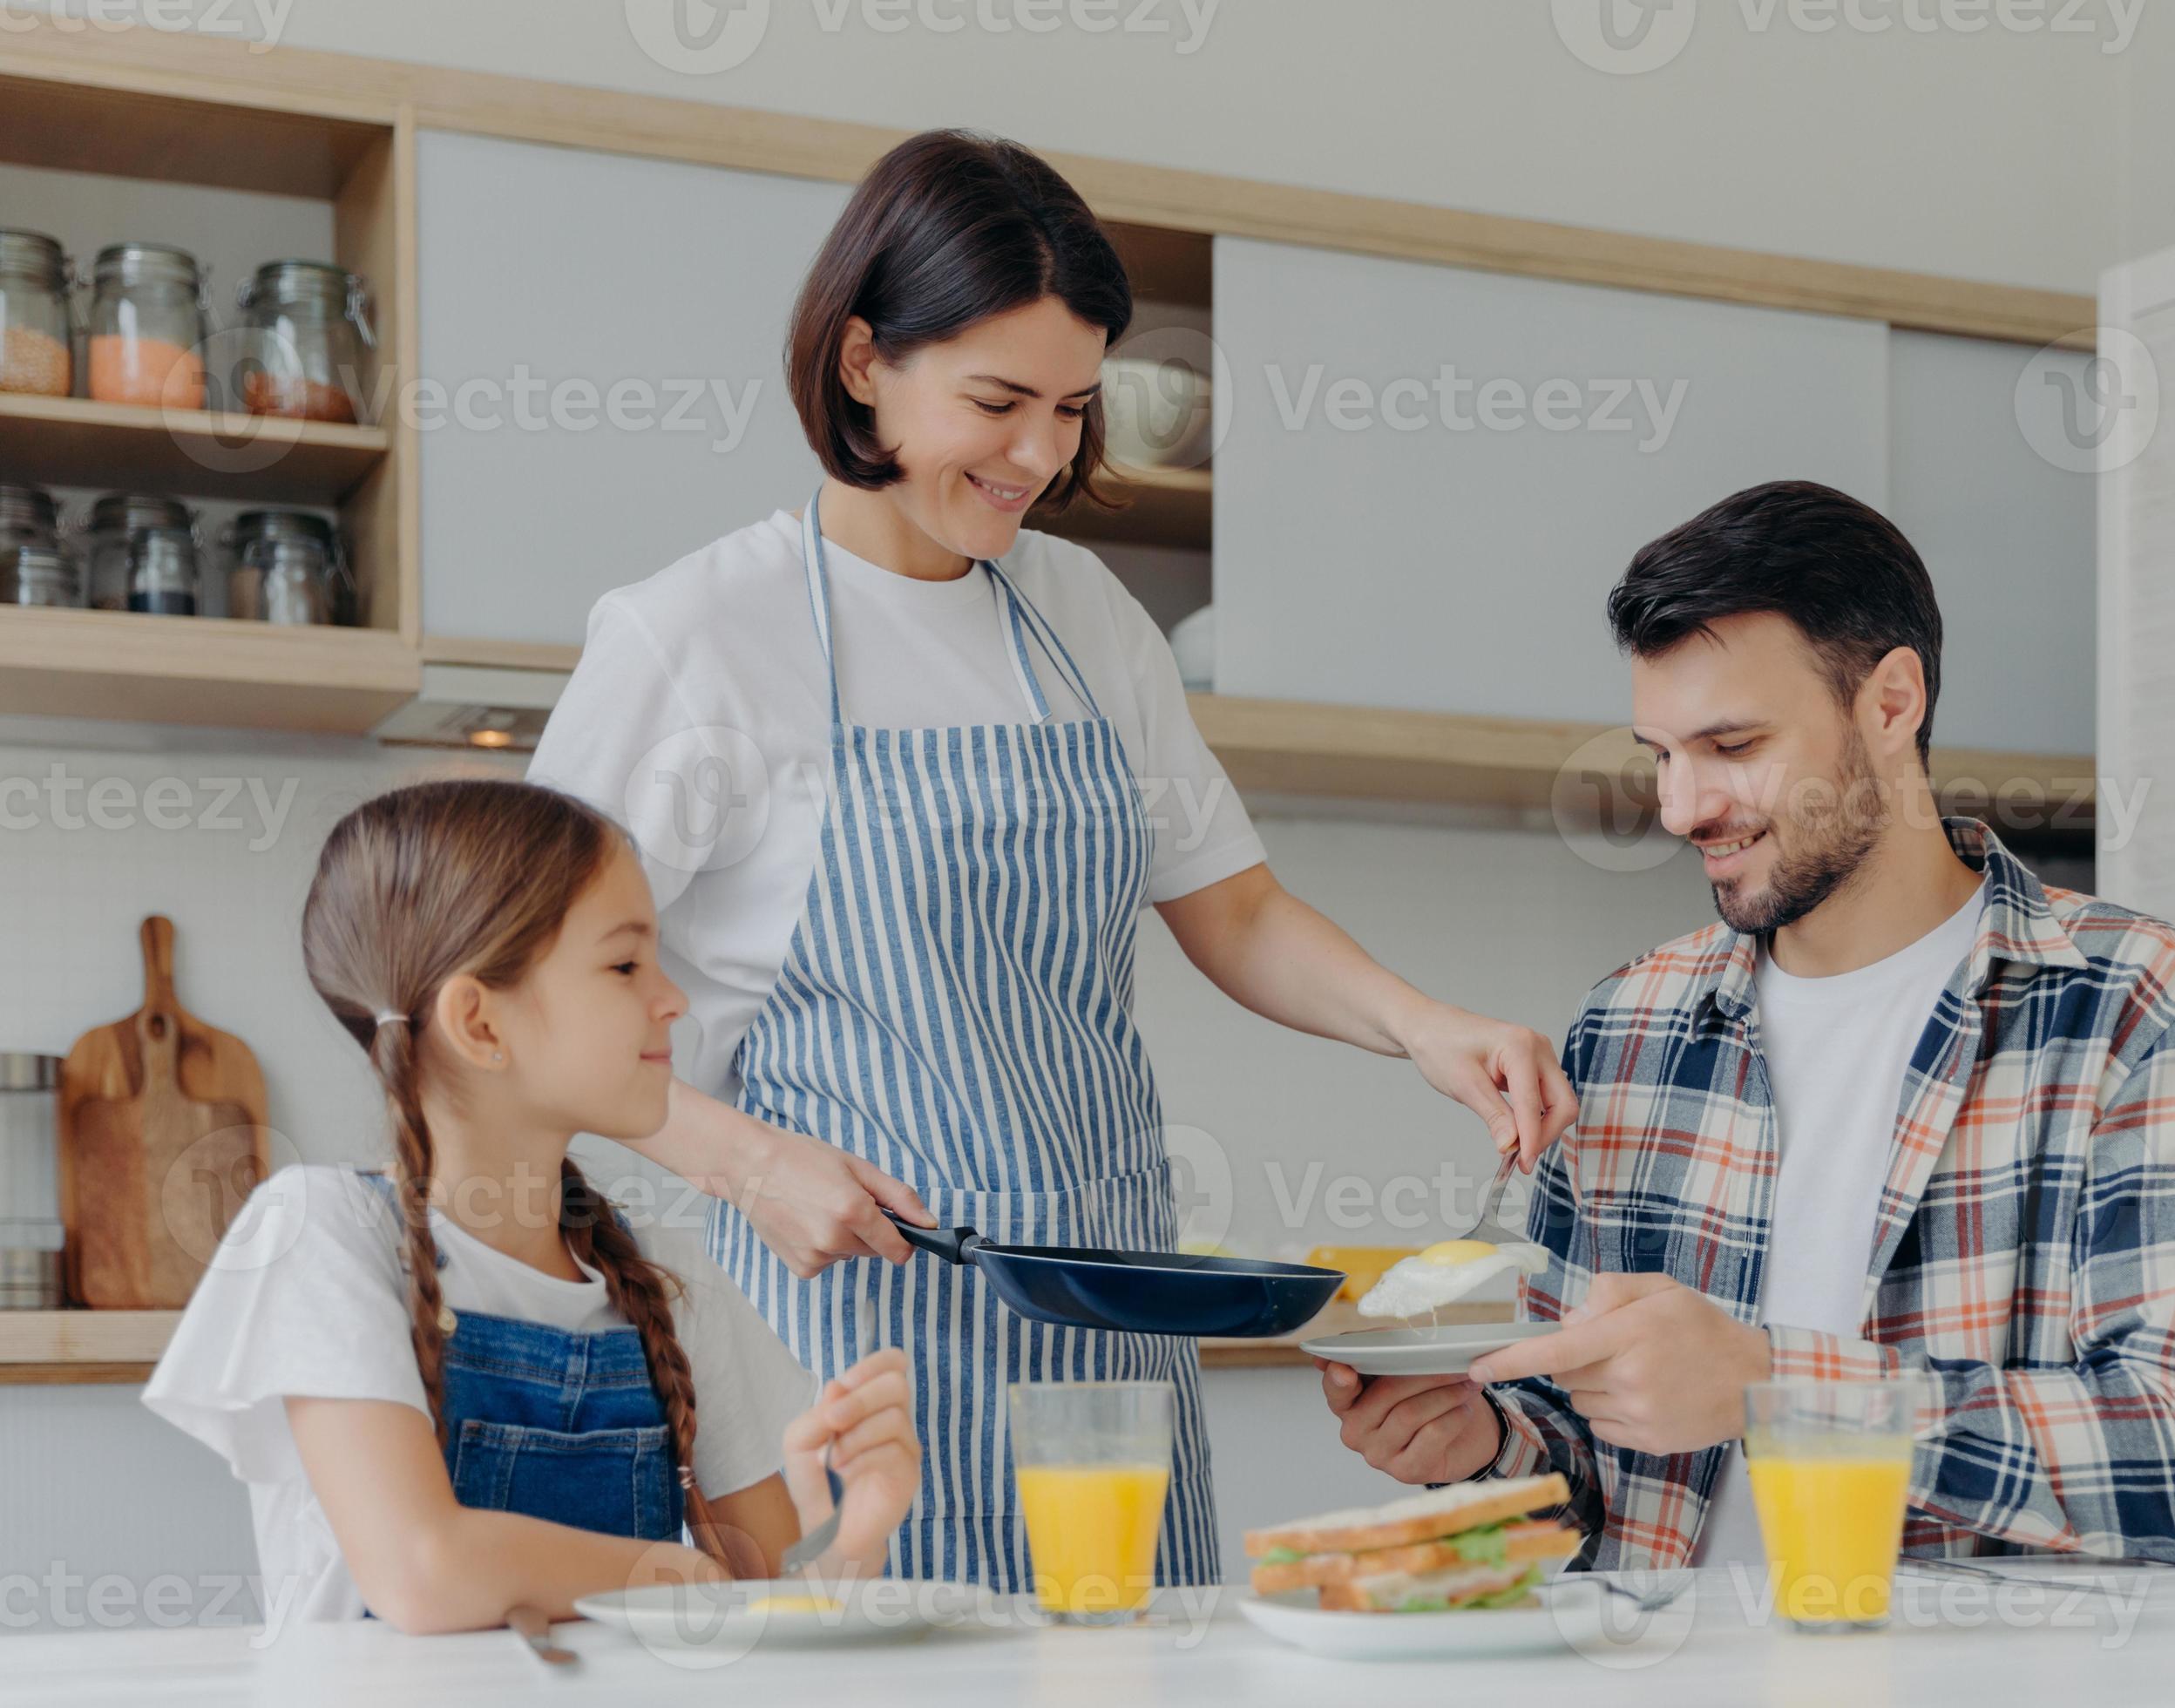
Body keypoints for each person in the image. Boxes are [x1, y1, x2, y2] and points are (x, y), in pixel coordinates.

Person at [524, 128, 1575, 1589]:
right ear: (861, 364)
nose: (1041, 457)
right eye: (997, 402)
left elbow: (1236, 907)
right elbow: (514, 989)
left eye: (1073, 409)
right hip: (842, 1334)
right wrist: (747, 1160)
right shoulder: (697, 636)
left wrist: (1425, 1028)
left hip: (1103, 1338)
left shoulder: (1080, 616)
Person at [1319, 480, 2175, 1567]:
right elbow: (1582, 1462)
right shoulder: (1631, 1023)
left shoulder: (2131, 1001)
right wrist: (1488, 1442)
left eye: (1732, 746)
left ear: (1890, 703)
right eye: (1661, 755)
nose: (1682, 808)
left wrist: (1776, 1387)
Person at [143, 780, 920, 1631]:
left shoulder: (663, 1262)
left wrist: (852, 1536)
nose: (672, 999)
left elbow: (770, 1605)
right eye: (625, 964)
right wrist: (681, 1572)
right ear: (479, 1024)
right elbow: (425, 1570)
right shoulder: (322, 1230)